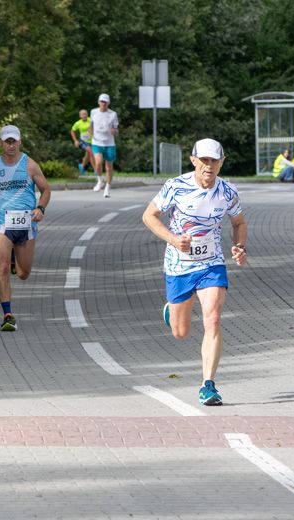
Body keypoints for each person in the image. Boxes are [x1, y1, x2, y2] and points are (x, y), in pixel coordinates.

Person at [142, 138, 248, 406]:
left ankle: (208, 385)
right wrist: (173, 239)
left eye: (214, 161)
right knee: (180, 332)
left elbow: (239, 223)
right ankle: (172, 310)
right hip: (179, 264)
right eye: (204, 160)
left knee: (213, 318)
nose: (209, 166)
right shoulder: (176, 186)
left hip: (212, 263)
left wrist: (239, 246)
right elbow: (149, 216)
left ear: (222, 163)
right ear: (194, 161)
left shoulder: (227, 191)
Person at [0, 125, 51, 331]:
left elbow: (45, 190)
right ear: (1, 143)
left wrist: (40, 208)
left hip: (26, 223)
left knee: (23, 273)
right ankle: (8, 315)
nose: (11, 145)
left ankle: (13, 259)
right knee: (1, 268)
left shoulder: (30, 165)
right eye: (7, 141)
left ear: (20, 142)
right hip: (1, 221)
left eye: (14, 141)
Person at [90, 93, 119, 198]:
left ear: (108, 103)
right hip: (97, 142)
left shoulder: (113, 114)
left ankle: (107, 188)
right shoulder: (93, 112)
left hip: (109, 143)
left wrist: (114, 131)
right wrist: (90, 132)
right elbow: (91, 125)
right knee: (98, 162)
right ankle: (99, 180)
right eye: (102, 101)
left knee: (109, 167)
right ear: (99, 102)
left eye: (105, 102)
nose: (103, 104)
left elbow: (116, 129)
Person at [70, 109, 94, 175]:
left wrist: (92, 130)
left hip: (92, 141)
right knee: (91, 152)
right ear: (80, 116)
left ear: (87, 114)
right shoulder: (78, 123)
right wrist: (75, 141)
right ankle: (96, 170)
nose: (84, 116)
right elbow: (72, 131)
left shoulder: (91, 120)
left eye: (85, 114)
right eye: (82, 114)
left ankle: (82, 165)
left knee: (88, 155)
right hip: (83, 141)